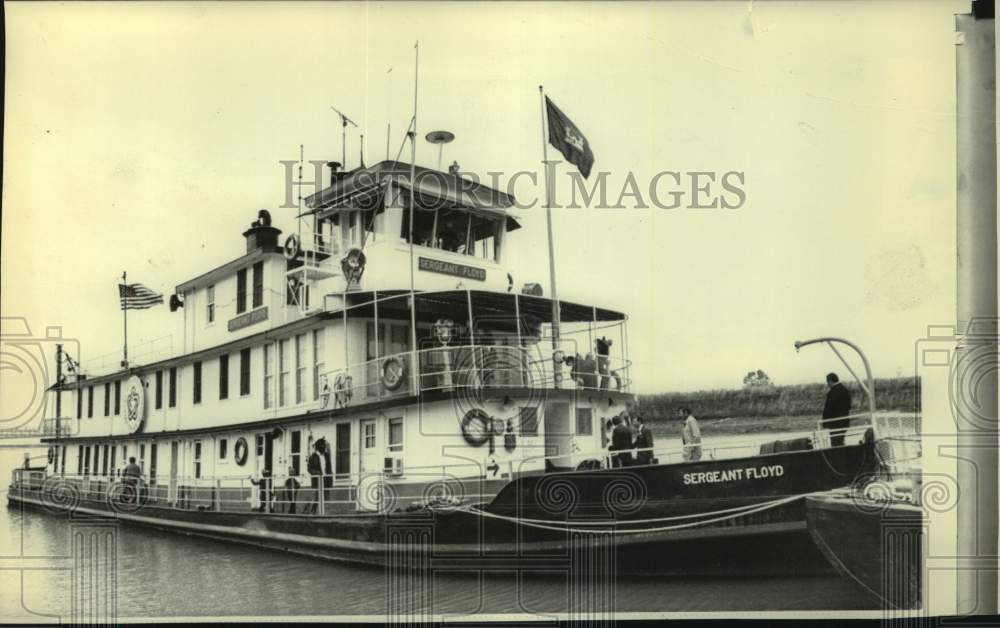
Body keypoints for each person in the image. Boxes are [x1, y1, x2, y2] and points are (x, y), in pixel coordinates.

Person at [822, 372, 853, 447]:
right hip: (844, 422)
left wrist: (825, 421)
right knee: (840, 442)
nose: (828, 385)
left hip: (835, 424)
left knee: (835, 444)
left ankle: (838, 457)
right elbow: (848, 405)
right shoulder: (845, 390)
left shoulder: (833, 392)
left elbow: (829, 407)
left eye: (828, 382)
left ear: (830, 381)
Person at [304, 441, 324, 514]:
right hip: (316, 480)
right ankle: (312, 511)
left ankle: (319, 511)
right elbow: (309, 469)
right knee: (315, 496)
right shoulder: (312, 457)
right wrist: (317, 473)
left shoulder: (322, 456)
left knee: (320, 496)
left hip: (323, 479)